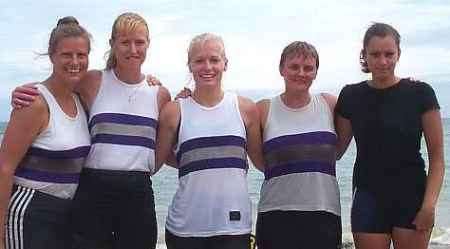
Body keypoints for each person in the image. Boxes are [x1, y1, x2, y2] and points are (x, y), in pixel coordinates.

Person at [10, 12, 170, 249]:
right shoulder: (93, 81)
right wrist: (23, 93)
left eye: (139, 42)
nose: (133, 49)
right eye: (125, 42)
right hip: (93, 188)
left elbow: (162, 151)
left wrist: (187, 95)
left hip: (138, 192)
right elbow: (57, 88)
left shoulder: (159, 94)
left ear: (148, 44)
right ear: (112, 44)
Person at [335, 22, 445, 249]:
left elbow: (437, 157)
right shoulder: (350, 96)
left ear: (398, 54)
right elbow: (335, 150)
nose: (383, 61)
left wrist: (429, 206)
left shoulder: (420, 93)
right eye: (375, 54)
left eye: (389, 54)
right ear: (364, 55)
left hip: (412, 196)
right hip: (367, 196)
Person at [155, 33, 264, 249]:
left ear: (225, 63)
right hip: (185, 229)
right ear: (190, 65)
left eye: (214, 60)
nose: (207, 67)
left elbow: (262, 163)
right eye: (199, 61)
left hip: (234, 227)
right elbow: (155, 161)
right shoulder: (174, 112)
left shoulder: (246, 109)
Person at [0, 17, 91, 249]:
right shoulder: (34, 102)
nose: (75, 62)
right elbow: (4, 168)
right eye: (66, 55)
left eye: (81, 55)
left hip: (65, 215)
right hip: (28, 212)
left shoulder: (80, 100)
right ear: (52, 56)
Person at [255, 41, 342, 249]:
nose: (301, 73)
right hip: (276, 214)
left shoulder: (329, 104)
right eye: (294, 66)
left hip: (324, 212)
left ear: (316, 72)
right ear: (281, 69)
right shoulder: (263, 109)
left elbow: (341, 149)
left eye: (308, 68)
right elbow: (258, 160)